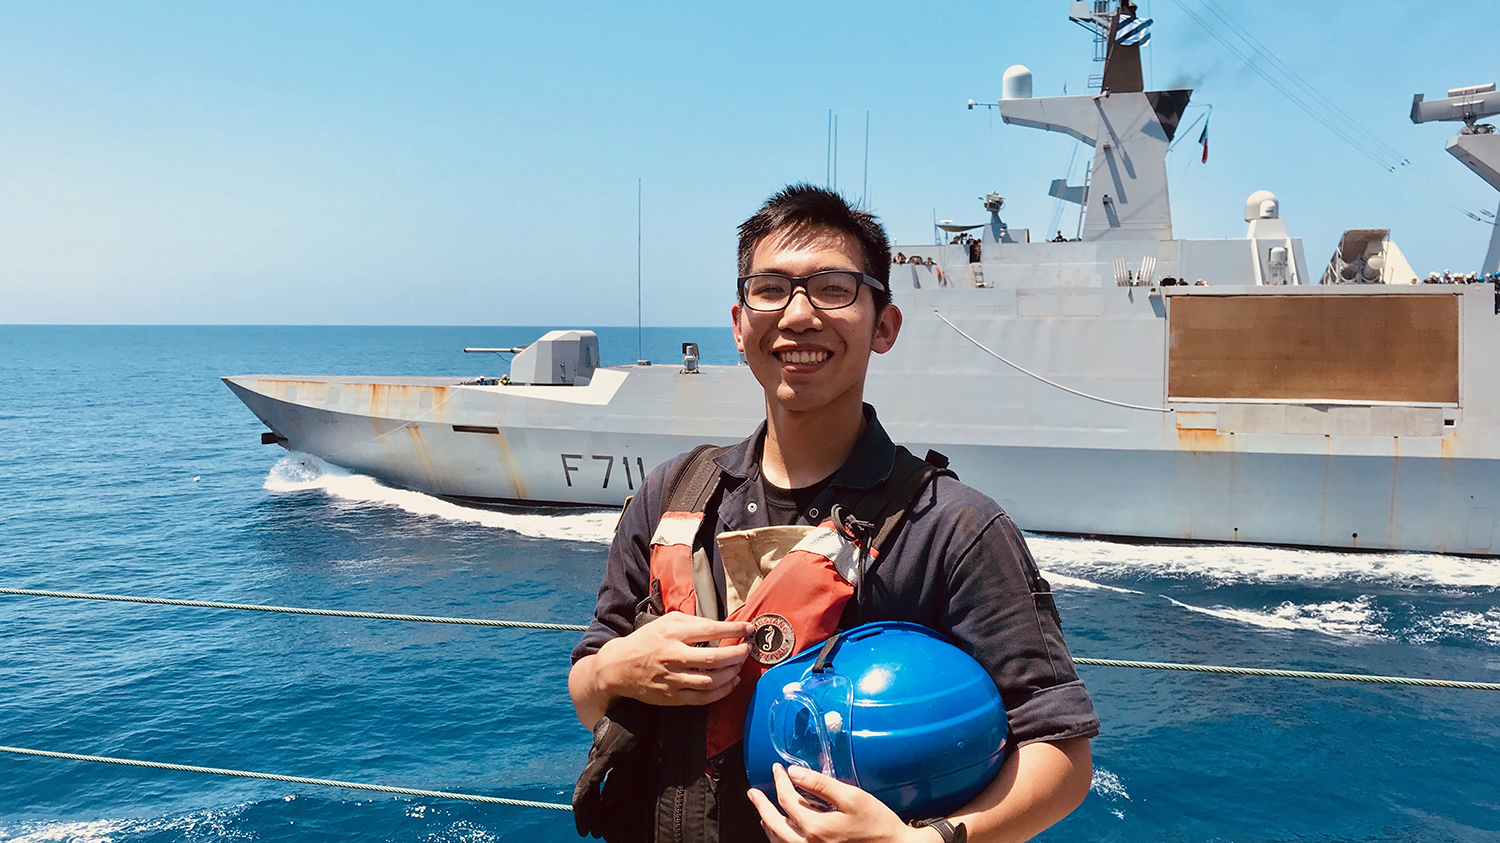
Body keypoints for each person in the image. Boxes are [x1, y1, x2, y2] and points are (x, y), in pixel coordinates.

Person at [569, 184, 1097, 843]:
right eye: (771, 288)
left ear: (885, 326)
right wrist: (615, 669)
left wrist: (927, 841)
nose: (797, 316)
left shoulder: (955, 529)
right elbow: (588, 683)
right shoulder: (671, 495)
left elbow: (1062, 755)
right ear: (738, 325)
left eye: (833, 288)